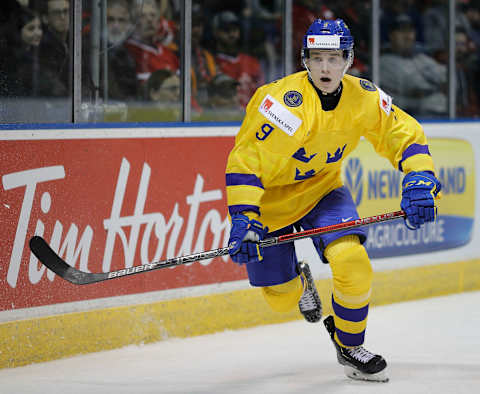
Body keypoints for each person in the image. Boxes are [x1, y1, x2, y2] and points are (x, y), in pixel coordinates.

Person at [225, 19, 442, 382]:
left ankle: (349, 344)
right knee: (279, 299)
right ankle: (300, 282)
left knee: (353, 261)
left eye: (333, 58)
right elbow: (247, 162)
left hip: (324, 192)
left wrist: (420, 179)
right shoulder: (281, 104)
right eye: (316, 58)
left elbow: (404, 135)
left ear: (349, 59)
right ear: (304, 59)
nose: (325, 67)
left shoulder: (365, 97)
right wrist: (245, 216)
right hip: (271, 206)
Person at [379, 14, 447, 118]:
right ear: (391, 35)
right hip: (403, 116)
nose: (408, 36)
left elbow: (446, 77)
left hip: (436, 112)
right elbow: (413, 84)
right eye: (402, 32)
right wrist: (434, 85)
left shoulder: (422, 58)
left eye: (410, 31)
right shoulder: (383, 62)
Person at [212, 10, 265, 108]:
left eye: (235, 29)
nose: (232, 34)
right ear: (216, 32)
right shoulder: (211, 62)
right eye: (226, 30)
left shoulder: (252, 62)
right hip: (226, 117)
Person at [125, 0, 179, 91]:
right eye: (142, 16)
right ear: (132, 22)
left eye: (153, 15)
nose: (149, 20)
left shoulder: (169, 54)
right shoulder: (127, 53)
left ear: (159, 22)